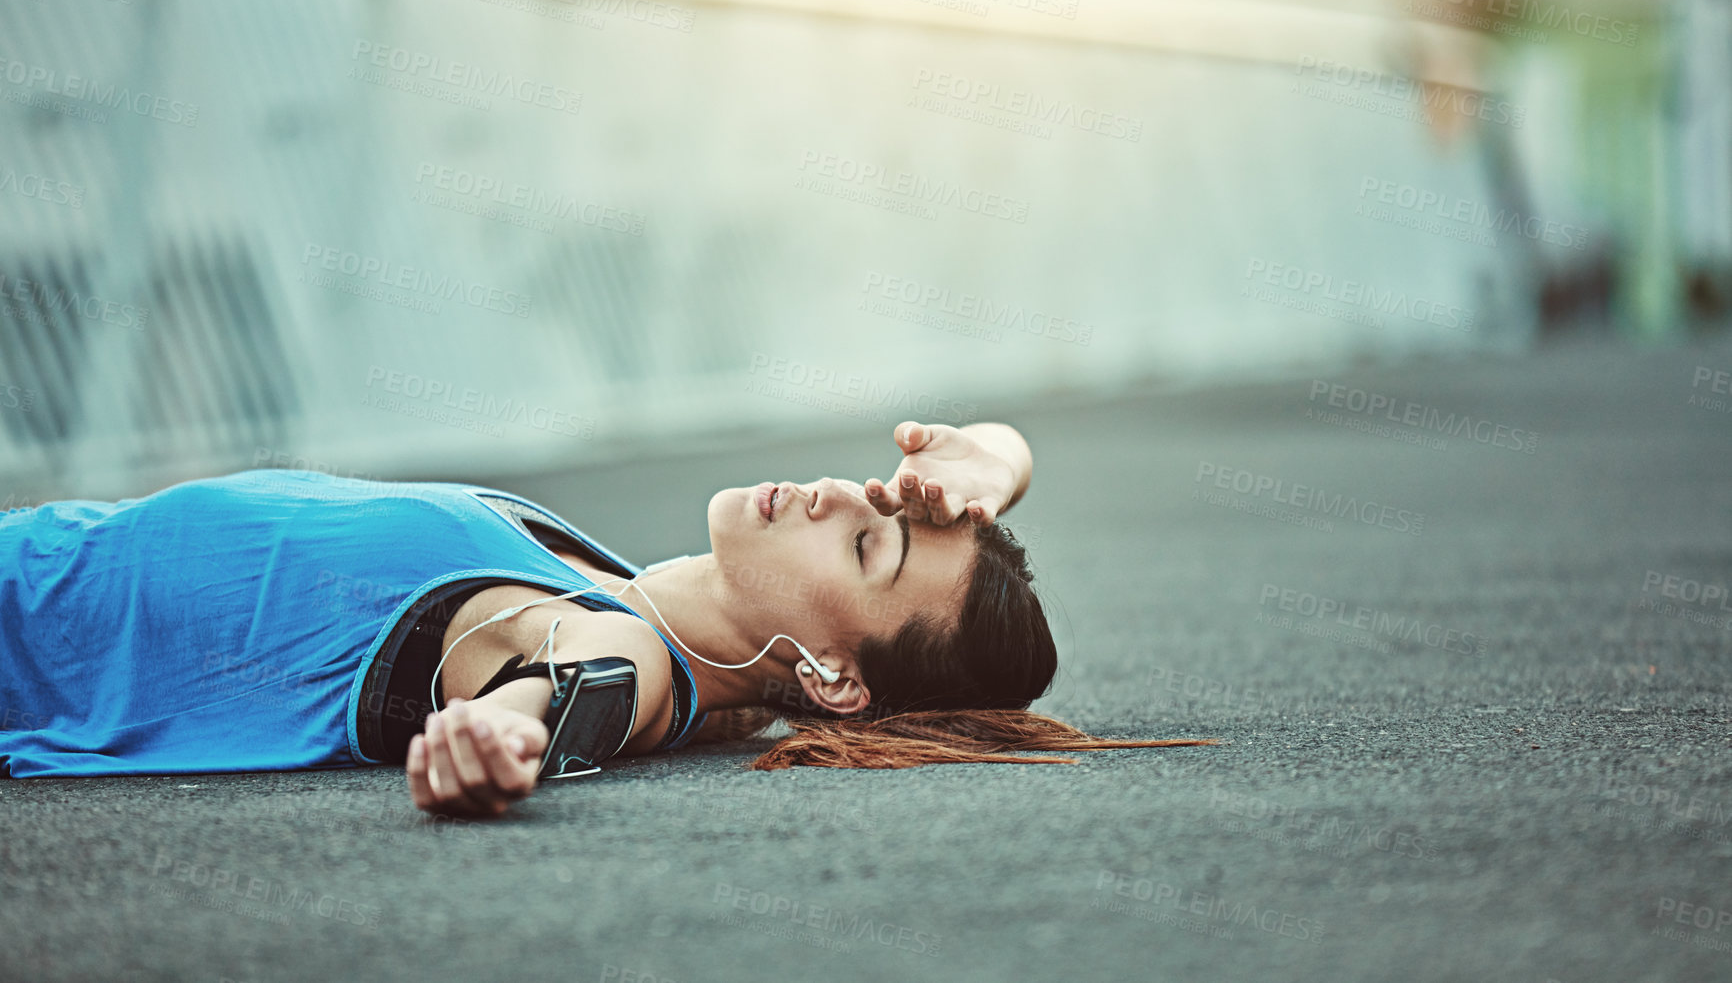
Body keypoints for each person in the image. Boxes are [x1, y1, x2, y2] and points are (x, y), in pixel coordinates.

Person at [0, 421, 1209, 812]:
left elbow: (579, 691)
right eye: (875, 493)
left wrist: (505, 736)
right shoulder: (618, 581)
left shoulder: (630, 648)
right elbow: (999, 440)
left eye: (865, 540)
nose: (843, 489)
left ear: (835, 677)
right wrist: (986, 478)